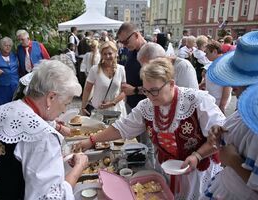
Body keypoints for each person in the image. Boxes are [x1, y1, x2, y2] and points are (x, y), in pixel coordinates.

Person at [77, 57, 225, 199]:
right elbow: (122, 128)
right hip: (166, 169)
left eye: (155, 90)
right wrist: (91, 140)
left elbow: (221, 136)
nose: (150, 96)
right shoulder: (146, 107)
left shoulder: (196, 101)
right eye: (146, 91)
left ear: (171, 83)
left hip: (197, 172)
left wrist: (198, 155)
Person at [0, 60, 88, 199]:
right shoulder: (42, 135)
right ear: (51, 97)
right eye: (66, 104)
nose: (64, 110)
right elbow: (51, 197)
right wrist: (78, 168)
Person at [203, 30, 258, 199]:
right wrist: (221, 132)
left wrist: (234, 162)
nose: (235, 87)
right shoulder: (248, 109)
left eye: (244, 82)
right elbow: (238, 134)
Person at [81, 41, 127, 118]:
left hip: (116, 110)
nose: (107, 56)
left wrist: (112, 103)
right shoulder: (94, 70)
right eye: (104, 54)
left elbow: (124, 91)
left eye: (110, 53)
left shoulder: (121, 69)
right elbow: (87, 89)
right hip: (98, 110)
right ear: (101, 55)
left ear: (115, 53)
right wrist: (83, 106)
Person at [117, 22, 147, 112]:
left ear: (136, 35)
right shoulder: (132, 50)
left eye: (126, 42)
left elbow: (158, 88)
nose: (124, 45)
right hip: (131, 105)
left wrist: (135, 90)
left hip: (146, 107)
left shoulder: (151, 52)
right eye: (121, 42)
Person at [202, 41, 232, 114]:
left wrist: (222, 105)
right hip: (213, 100)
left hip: (218, 101)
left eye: (207, 53)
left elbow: (227, 87)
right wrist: (204, 83)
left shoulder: (223, 65)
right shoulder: (215, 63)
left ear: (215, 52)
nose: (205, 56)